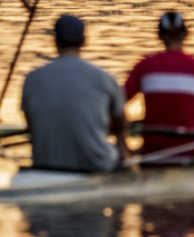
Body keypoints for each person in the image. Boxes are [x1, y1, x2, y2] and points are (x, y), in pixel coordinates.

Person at [21, 15, 130, 172]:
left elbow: (31, 128)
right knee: (120, 147)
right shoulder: (105, 78)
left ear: (56, 41)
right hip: (95, 164)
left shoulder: (32, 78)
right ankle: (128, 168)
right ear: (84, 41)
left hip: (45, 164)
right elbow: (121, 125)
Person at [124, 12, 194, 155]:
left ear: (159, 36)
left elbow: (118, 102)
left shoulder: (144, 67)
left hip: (153, 151)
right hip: (192, 150)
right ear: (186, 34)